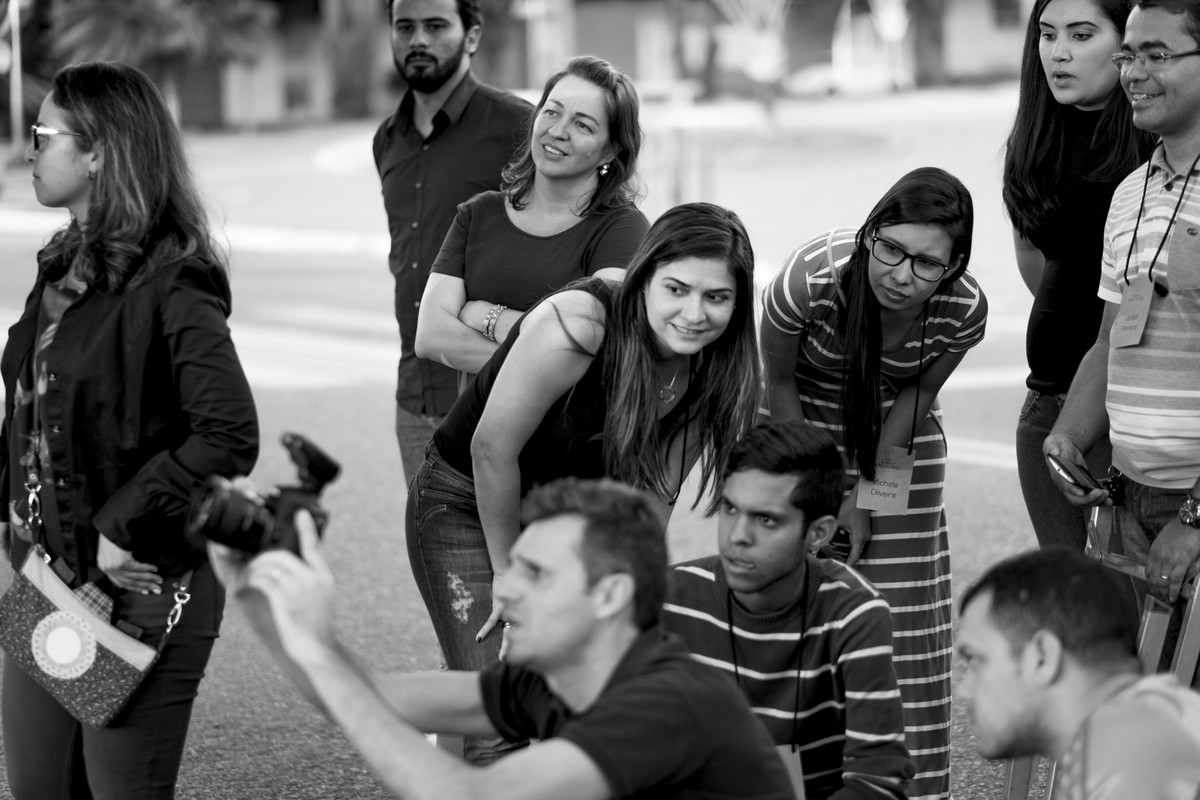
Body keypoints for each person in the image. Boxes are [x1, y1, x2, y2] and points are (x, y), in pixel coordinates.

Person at [406, 202, 761, 764]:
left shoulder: (712, 372)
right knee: (501, 721)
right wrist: (509, 575)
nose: (695, 313)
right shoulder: (579, 326)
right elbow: (491, 450)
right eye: (677, 289)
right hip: (469, 505)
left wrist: (627, 607)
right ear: (644, 278)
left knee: (572, 703)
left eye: (716, 297)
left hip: (564, 524)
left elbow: (645, 507)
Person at [0, 61, 259, 799]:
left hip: (138, 586)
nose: (29, 147)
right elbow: (29, 404)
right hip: (48, 581)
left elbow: (229, 431)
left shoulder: (175, 279)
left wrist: (124, 521)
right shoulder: (64, 262)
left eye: (44, 133)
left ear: (101, 152)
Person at [212, 477, 798, 800]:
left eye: (536, 574)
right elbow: (367, 698)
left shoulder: (667, 704)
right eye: (512, 567)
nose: (507, 590)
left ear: (610, 595)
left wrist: (319, 651)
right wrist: (259, 603)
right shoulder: (552, 678)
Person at [760, 167, 988, 800]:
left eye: (927, 263)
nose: (901, 273)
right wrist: (826, 495)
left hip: (893, 426)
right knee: (794, 594)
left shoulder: (964, 311)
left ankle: (907, 785)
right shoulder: (807, 283)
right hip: (797, 418)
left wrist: (868, 499)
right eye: (890, 248)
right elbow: (776, 384)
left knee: (898, 608)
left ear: (954, 267)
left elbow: (916, 401)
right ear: (870, 234)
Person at [1043, 0, 1200, 608]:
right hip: (1129, 494)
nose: (1134, 72)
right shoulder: (1133, 190)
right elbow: (1112, 339)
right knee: (1153, 696)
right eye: (1129, 54)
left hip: (1190, 505)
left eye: (1157, 54)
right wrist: (1067, 435)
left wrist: (1193, 517)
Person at [663, 420, 914, 800]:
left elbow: (878, 780)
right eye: (730, 509)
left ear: (818, 534)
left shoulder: (854, 614)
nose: (737, 536)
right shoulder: (669, 597)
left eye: (765, 519)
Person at [1003, 0, 1155, 551]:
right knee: (1075, 608)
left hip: (1133, 407)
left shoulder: (1158, 148)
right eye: (1046, 35)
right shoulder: (1037, 139)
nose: (1057, 53)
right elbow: (1039, 269)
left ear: (1128, 41)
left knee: (1141, 614)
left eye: (1081, 34)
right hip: (1047, 405)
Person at [415, 55, 650, 379]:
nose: (557, 130)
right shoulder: (478, 213)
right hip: (472, 428)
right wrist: (547, 356)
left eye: (582, 124)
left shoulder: (623, 230)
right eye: (552, 111)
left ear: (610, 151)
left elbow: (596, 345)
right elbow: (430, 337)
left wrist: (489, 317)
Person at [375, 0, 532, 485]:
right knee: (430, 558)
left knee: (511, 558)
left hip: (495, 392)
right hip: (414, 397)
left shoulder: (518, 127)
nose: (417, 39)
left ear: (471, 37)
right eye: (405, 26)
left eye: (435, 26)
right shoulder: (387, 139)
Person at [956, 548, 1200, 798]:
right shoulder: (1143, 727)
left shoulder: (1127, 753)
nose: (962, 690)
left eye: (976, 661)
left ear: (1042, 657)